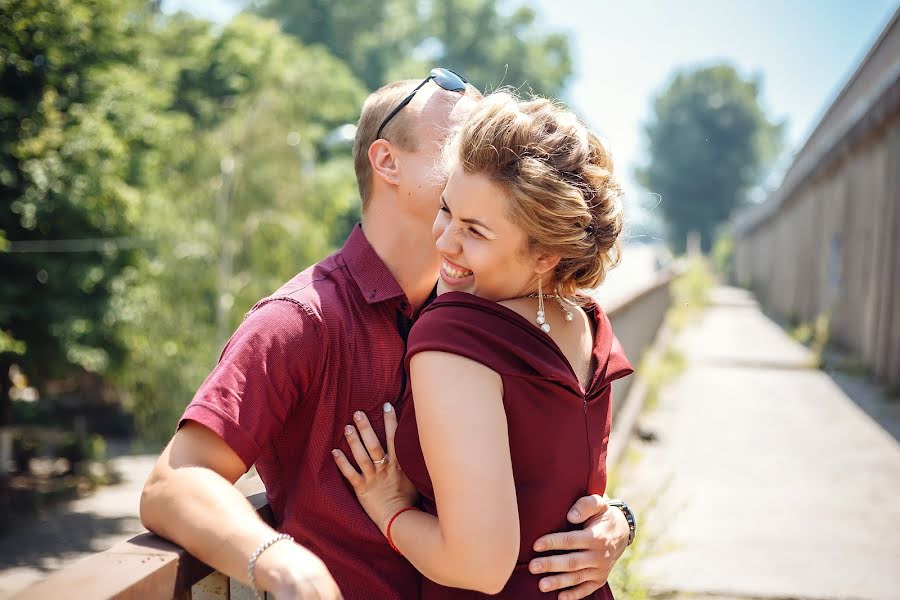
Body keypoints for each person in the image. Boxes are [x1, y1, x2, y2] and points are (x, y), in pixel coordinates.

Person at [140, 69, 635, 600]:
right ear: (387, 161)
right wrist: (276, 559)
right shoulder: (301, 319)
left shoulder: (496, 309)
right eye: (461, 140)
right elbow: (174, 482)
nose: (481, 154)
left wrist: (615, 523)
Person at [332, 90, 634, 599]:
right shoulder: (588, 321)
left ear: (544, 255)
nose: (445, 241)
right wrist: (622, 519)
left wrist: (390, 511)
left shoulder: (455, 337)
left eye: (474, 231)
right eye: (446, 209)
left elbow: (479, 567)